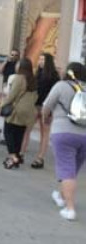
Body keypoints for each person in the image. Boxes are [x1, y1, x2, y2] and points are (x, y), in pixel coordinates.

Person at [41, 62, 86, 221]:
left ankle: (70, 208)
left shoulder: (61, 86)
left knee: (67, 172)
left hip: (63, 132)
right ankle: (60, 196)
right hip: (84, 136)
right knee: (72, 171)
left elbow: (47, 105)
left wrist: (45, 117)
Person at [0, 58, 38, 169]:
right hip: (28, 110)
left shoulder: (19, 78)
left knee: (8, 132)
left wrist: (1, 105)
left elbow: (12, 95)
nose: (16, 66)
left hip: (17, 109)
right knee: (19, 134)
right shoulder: (33, 79)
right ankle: (15, 157)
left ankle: (13, 156)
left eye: (17, 64)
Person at [28, 53, 60, 169]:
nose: (40, 61)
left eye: (43, 59)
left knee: (44, 132)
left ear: (48, 62)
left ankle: (40, 157)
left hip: (46, 107)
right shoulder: (37, 73)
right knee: (28, 128)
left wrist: (50, 109)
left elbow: (55, 94)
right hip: (35, 105)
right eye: (40, 59)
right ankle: (21, 152)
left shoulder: (54, 76)